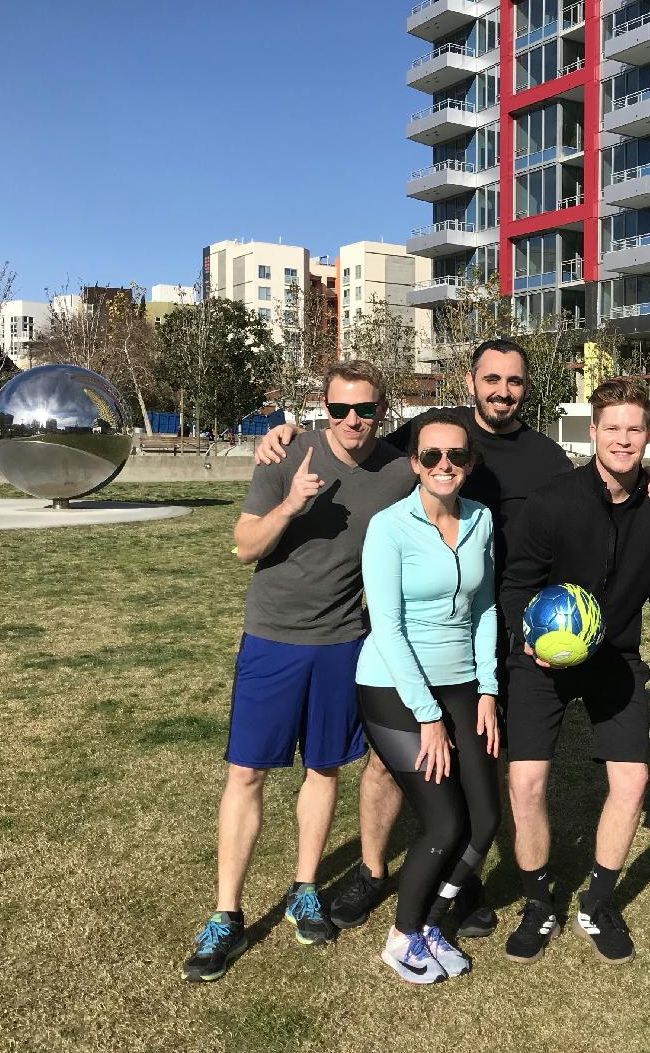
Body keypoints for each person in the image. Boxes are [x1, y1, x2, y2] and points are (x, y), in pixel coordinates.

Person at [254, 340, 650, 935]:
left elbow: (602, 478)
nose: (503, 390)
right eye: (491, 379)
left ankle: (467, 881)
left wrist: (648, 473)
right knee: (386, 765)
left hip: (506, 632)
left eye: (515, 381)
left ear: (526, 388)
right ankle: (373, 872)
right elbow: (356, 439)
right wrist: (287, 435)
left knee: (486, 758)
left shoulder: (547, 457)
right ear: (472, 381)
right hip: (421, 627)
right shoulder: (431, 433)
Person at [181, 360, 416, 983]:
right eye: (339, 409)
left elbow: (457, 466)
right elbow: (245, 547)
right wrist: (290, 503)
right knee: (248, 773)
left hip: (343, 643)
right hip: (272, 638)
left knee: (323, 768)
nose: (352, 422)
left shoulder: (398, 469)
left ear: (381, 412)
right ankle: (226, 913)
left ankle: (305, 888)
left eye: (364, 410)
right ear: (323, 408)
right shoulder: (287, 452)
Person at [498, 377, 650, 965]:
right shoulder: (553, 501)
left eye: (634, 429)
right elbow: (517, 582)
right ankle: (536, 903)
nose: (623, 440)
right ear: (593, 432)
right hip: (543, 663)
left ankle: (597, 903)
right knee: (525, 783)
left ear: (648, 435)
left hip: (615, 661)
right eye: (612, 428)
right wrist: (528, 639)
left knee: (632, 782)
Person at [356, 410, 501, 984]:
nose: (445, 465)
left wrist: (487, 688)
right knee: (444, 825)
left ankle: (431, 922)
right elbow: (386, 629)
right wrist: (428, 718)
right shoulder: (389, 527)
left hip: (462, 680)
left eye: (457, 456)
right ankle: (401, 938)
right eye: (432, 456)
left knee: (486, 820)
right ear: (415, 463)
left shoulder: (482, 519)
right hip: (395, 686)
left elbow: (486, 607)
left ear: (470, 463)